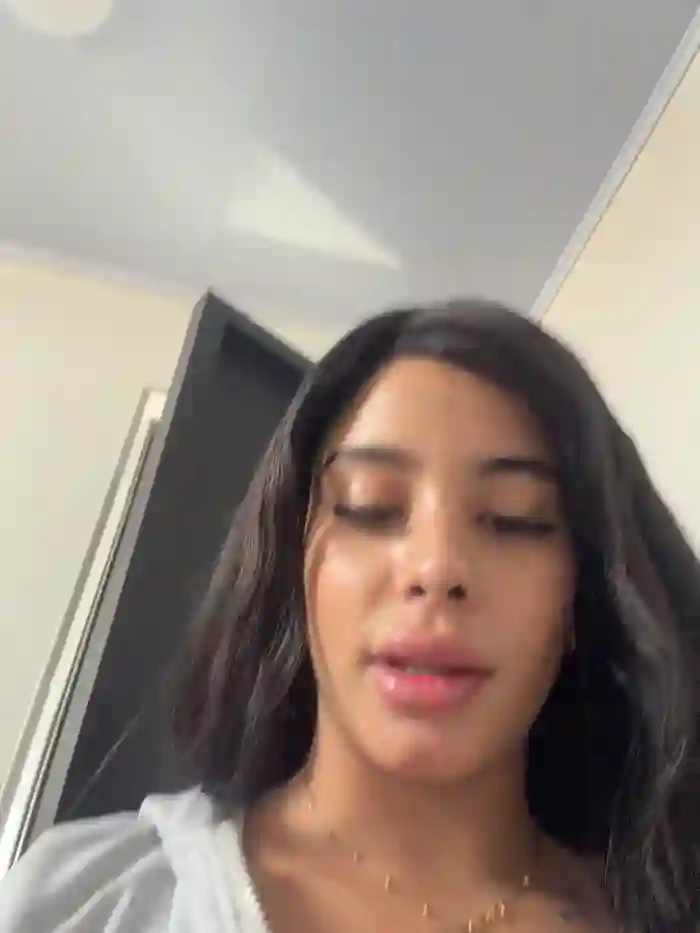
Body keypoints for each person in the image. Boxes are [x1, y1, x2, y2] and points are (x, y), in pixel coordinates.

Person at [1, 299, 697, 933]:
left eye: (513, 519)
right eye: (370, 506)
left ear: (581, 593)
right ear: (292, 563)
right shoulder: (91, 901)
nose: (435, 567)